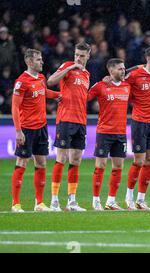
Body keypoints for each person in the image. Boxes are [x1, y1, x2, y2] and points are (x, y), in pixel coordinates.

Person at [10, 49, 61, 212]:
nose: (42, 62)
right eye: (39, 60)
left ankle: (39, 203)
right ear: (30, 62)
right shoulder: (21, 81)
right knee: (22, 162)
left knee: (41, 162)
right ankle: (15, 204)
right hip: (27, 128)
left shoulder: (40, 78)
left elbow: (43, 92)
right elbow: (15, 106)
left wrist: (58, 95)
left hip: (42, 127)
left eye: (41, 59)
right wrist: (18, 131)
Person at [47, 42, 91, 212]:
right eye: (76, 55)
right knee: (61, 159)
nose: (78, 58)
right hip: (65, 119)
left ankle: (72, 201)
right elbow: (51, 81)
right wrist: (70, 67)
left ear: (88, 55)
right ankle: (54, 201)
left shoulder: (87, 74)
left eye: (81, 55)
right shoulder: (67, 66)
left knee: (75, 160)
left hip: (81, 121)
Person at [124, 46, 150, 210]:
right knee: (139, 161)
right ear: (148, 58)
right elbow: (119, 81)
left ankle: (141, 200)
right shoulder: (135, 75)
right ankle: (129, 197)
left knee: (149, 161)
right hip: (139, 122)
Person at [88, 58, 130, 211]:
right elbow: (85, 98)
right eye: (119, 69)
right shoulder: (100, 86)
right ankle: (96, 200)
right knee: (101, 165)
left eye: (124, 68)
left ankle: (111, 201)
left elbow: (136, 71)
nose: (123, 71)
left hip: (120, 133)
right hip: (104, 132)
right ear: (111, 71)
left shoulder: (127, 86)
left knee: (118, 166)